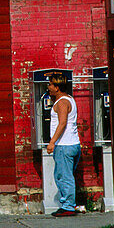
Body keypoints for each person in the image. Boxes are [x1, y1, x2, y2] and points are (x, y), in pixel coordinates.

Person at [46, 73, 80, 217]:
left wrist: (52, 142)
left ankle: (68, 206)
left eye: (50, 85)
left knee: (63, 177)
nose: (48, 87)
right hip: (73, 144)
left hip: (64, 145)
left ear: (57, 87)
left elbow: (62, 123)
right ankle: (68, 204)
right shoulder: (69, 99)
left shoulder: (61, 103)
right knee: (67, 176)